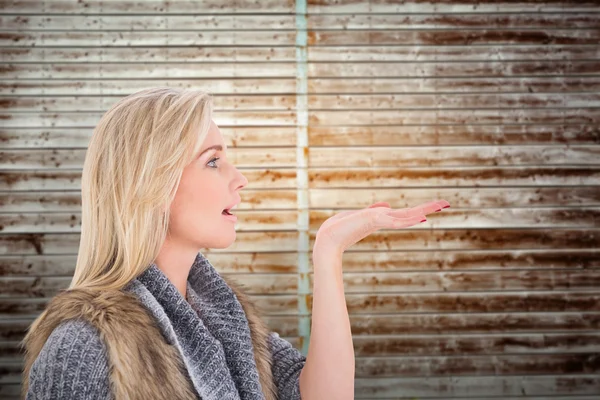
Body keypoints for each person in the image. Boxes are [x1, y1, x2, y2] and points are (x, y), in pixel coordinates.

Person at [20, 87, 450, 400]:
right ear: (152, 185)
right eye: (213, 161)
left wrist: (329, 252)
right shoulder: (85, 344)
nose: (239, 178)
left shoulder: (227, 321)